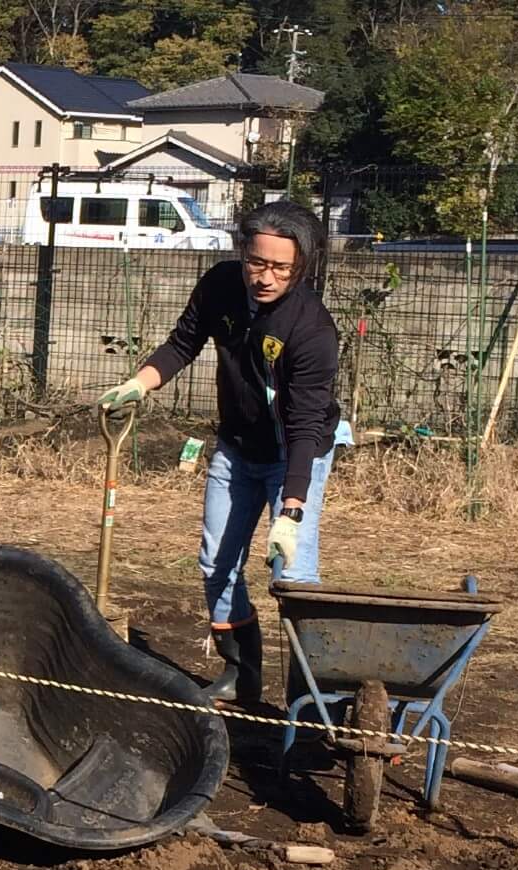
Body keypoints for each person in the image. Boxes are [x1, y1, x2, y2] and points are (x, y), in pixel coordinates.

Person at [99, 201, 344, 705]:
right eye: (257, 262)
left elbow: (303, 426)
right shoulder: (220, 286)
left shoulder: (311, 329)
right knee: (216, 562)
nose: (265, 277)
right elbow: (183, 342)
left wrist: (292, 509)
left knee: (292, 575)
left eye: (281, 267)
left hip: (297, 456)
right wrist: (138, 384)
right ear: (243, 253)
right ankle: (242, 671)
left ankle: (315, 697)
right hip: (237, 446)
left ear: (302, 266)